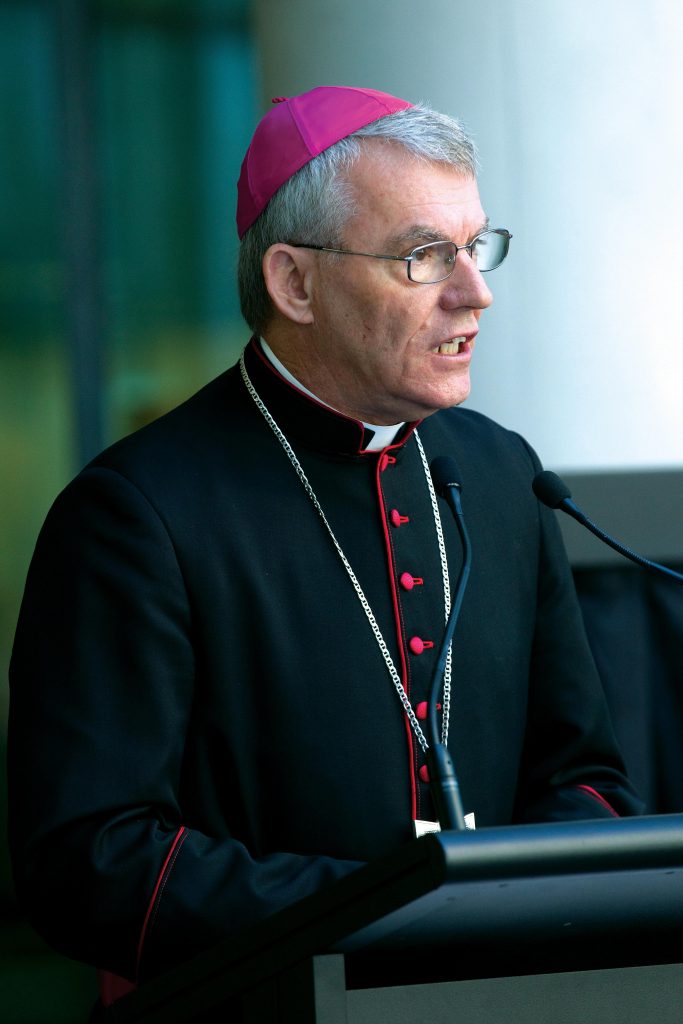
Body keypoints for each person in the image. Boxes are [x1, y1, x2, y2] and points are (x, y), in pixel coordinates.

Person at [8, 85, 641, 1004]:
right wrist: (394, 910)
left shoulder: (501, 475)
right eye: (425, 257)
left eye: (476, 245)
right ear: (293, 283)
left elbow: (582, 776)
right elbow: (90, 859)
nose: (476, 292)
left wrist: (503, 908)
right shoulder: (138, 512)